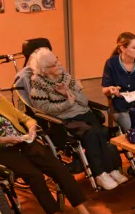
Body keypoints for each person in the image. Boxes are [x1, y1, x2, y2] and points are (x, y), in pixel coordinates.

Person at [0, 75, 102, 214]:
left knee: (57, 167)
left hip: (22, 141)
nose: (0, 95)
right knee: (34, 175)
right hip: (1, 151)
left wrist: (31, 128)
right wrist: (1, 141)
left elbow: (25, 118)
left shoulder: (1, 104)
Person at [27, 48, 127, 191]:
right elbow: (44, 109)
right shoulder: (38, 85)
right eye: (54, 64)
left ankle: (111, 170)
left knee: (101, 132)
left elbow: (83, 100)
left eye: (57, 60)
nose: (59, 65)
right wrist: (68, 102)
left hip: (83, 112)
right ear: (44, 70)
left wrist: (67, 92)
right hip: (64, 120)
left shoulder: (66, 77)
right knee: (91, 134)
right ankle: (99, 174)